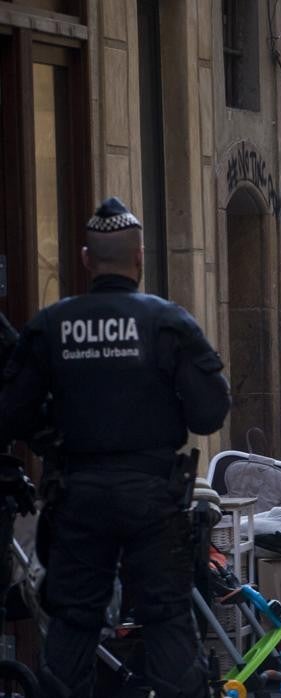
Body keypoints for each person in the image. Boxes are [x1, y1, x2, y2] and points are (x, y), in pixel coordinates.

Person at [0, 197, 231, 697]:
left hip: (76, 494)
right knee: (168, 617)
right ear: (140, 258)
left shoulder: (51, 326)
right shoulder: (168, 323)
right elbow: (210, 411)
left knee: (73, 622)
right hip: (154, 495)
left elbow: (10, 413)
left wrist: (52, 433)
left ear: (86, 259)